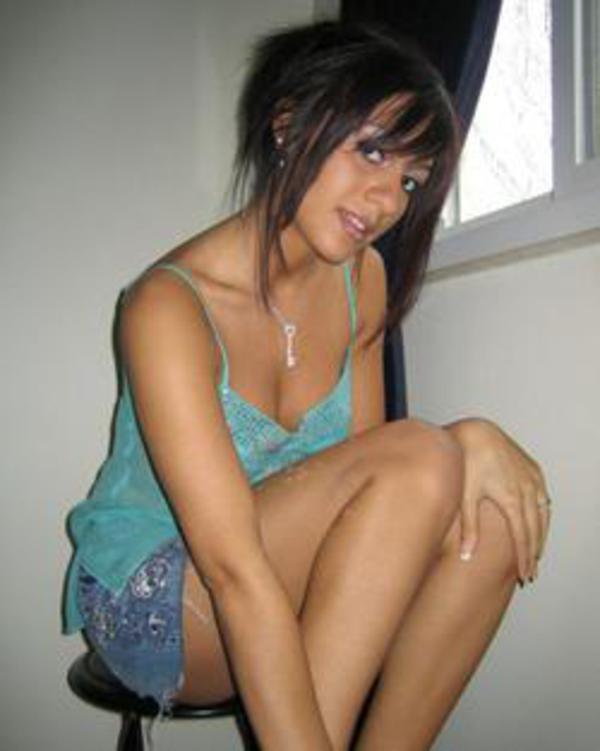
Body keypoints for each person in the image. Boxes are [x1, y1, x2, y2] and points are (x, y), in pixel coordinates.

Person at [63, 20, 552, 751]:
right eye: (372, 151)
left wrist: (469, 439)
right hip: (162, 591)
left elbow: (369, 486)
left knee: (495, 516)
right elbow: (234, 568)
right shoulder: (167, 306)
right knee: (426, 454)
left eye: (411, 180)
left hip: (269, 564)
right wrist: (448, 444)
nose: (387, 199)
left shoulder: (365, 280)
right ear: (289, 127)